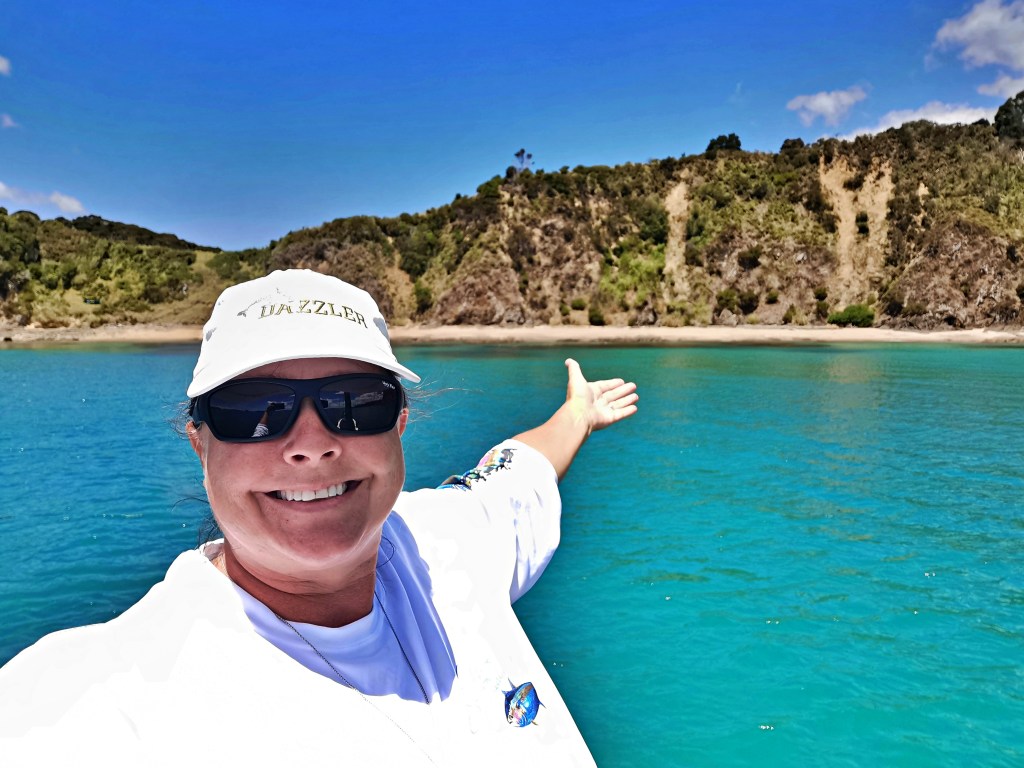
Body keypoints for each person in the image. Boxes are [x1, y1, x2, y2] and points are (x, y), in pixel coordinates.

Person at [0, 269, 637, 766]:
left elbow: (517, 469)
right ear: (200, 445)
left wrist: (576, 414)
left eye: (353, 403)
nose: (311, 444)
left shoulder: (450, 536)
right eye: (255, 410)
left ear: (399, 425)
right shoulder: (107, 701)